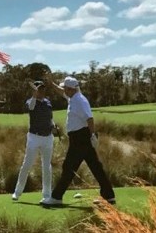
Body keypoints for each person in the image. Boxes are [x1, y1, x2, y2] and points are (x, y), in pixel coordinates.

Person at [45, 76, 115, 205]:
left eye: (65, 88)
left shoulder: (80, 101)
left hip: (80, 138)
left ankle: (56, 197)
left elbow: (90, 119)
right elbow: (61, 92)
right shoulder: (73, 97)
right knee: (95, 167)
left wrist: (92, 135)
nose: (64, 90)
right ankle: (109, 196)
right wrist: (52, 84)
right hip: (80, 137)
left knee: (69, 167)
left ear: (71, 89)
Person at [12, 80, 55, 205]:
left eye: (42, 89)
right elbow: (30, 106)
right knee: (27, 164)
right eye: (39, 89)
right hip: (34, 137)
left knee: (47, 166)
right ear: (35, 90)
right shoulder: (31, 101)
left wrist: (53, 125)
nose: (41, 91)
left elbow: (50, 118)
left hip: (48, 137)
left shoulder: (48, 102)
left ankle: (47, 195)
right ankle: (17, 192)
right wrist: (34, 95)